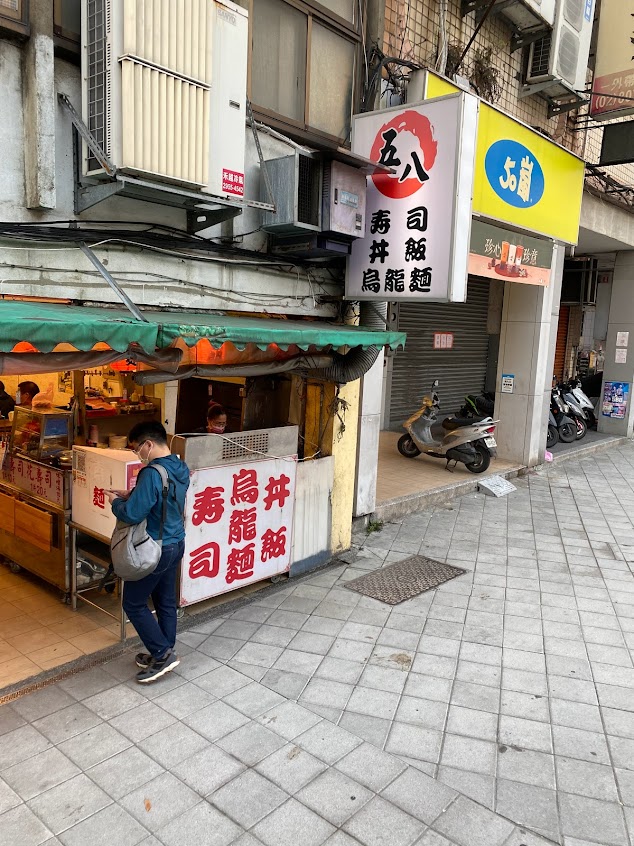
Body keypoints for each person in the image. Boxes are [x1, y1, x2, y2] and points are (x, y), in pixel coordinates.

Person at [106, 421, 190, 684]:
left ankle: (162, 653)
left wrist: (117, 502)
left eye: (136, 448)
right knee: (165, 600)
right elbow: (165, 497)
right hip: (176, 543)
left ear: (148, 444)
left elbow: (132, 514)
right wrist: (132, 493)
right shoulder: (179, 465)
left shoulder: (151, 472)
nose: (137, 454)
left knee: (133, 602)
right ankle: (165, 649)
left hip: (155, 548)